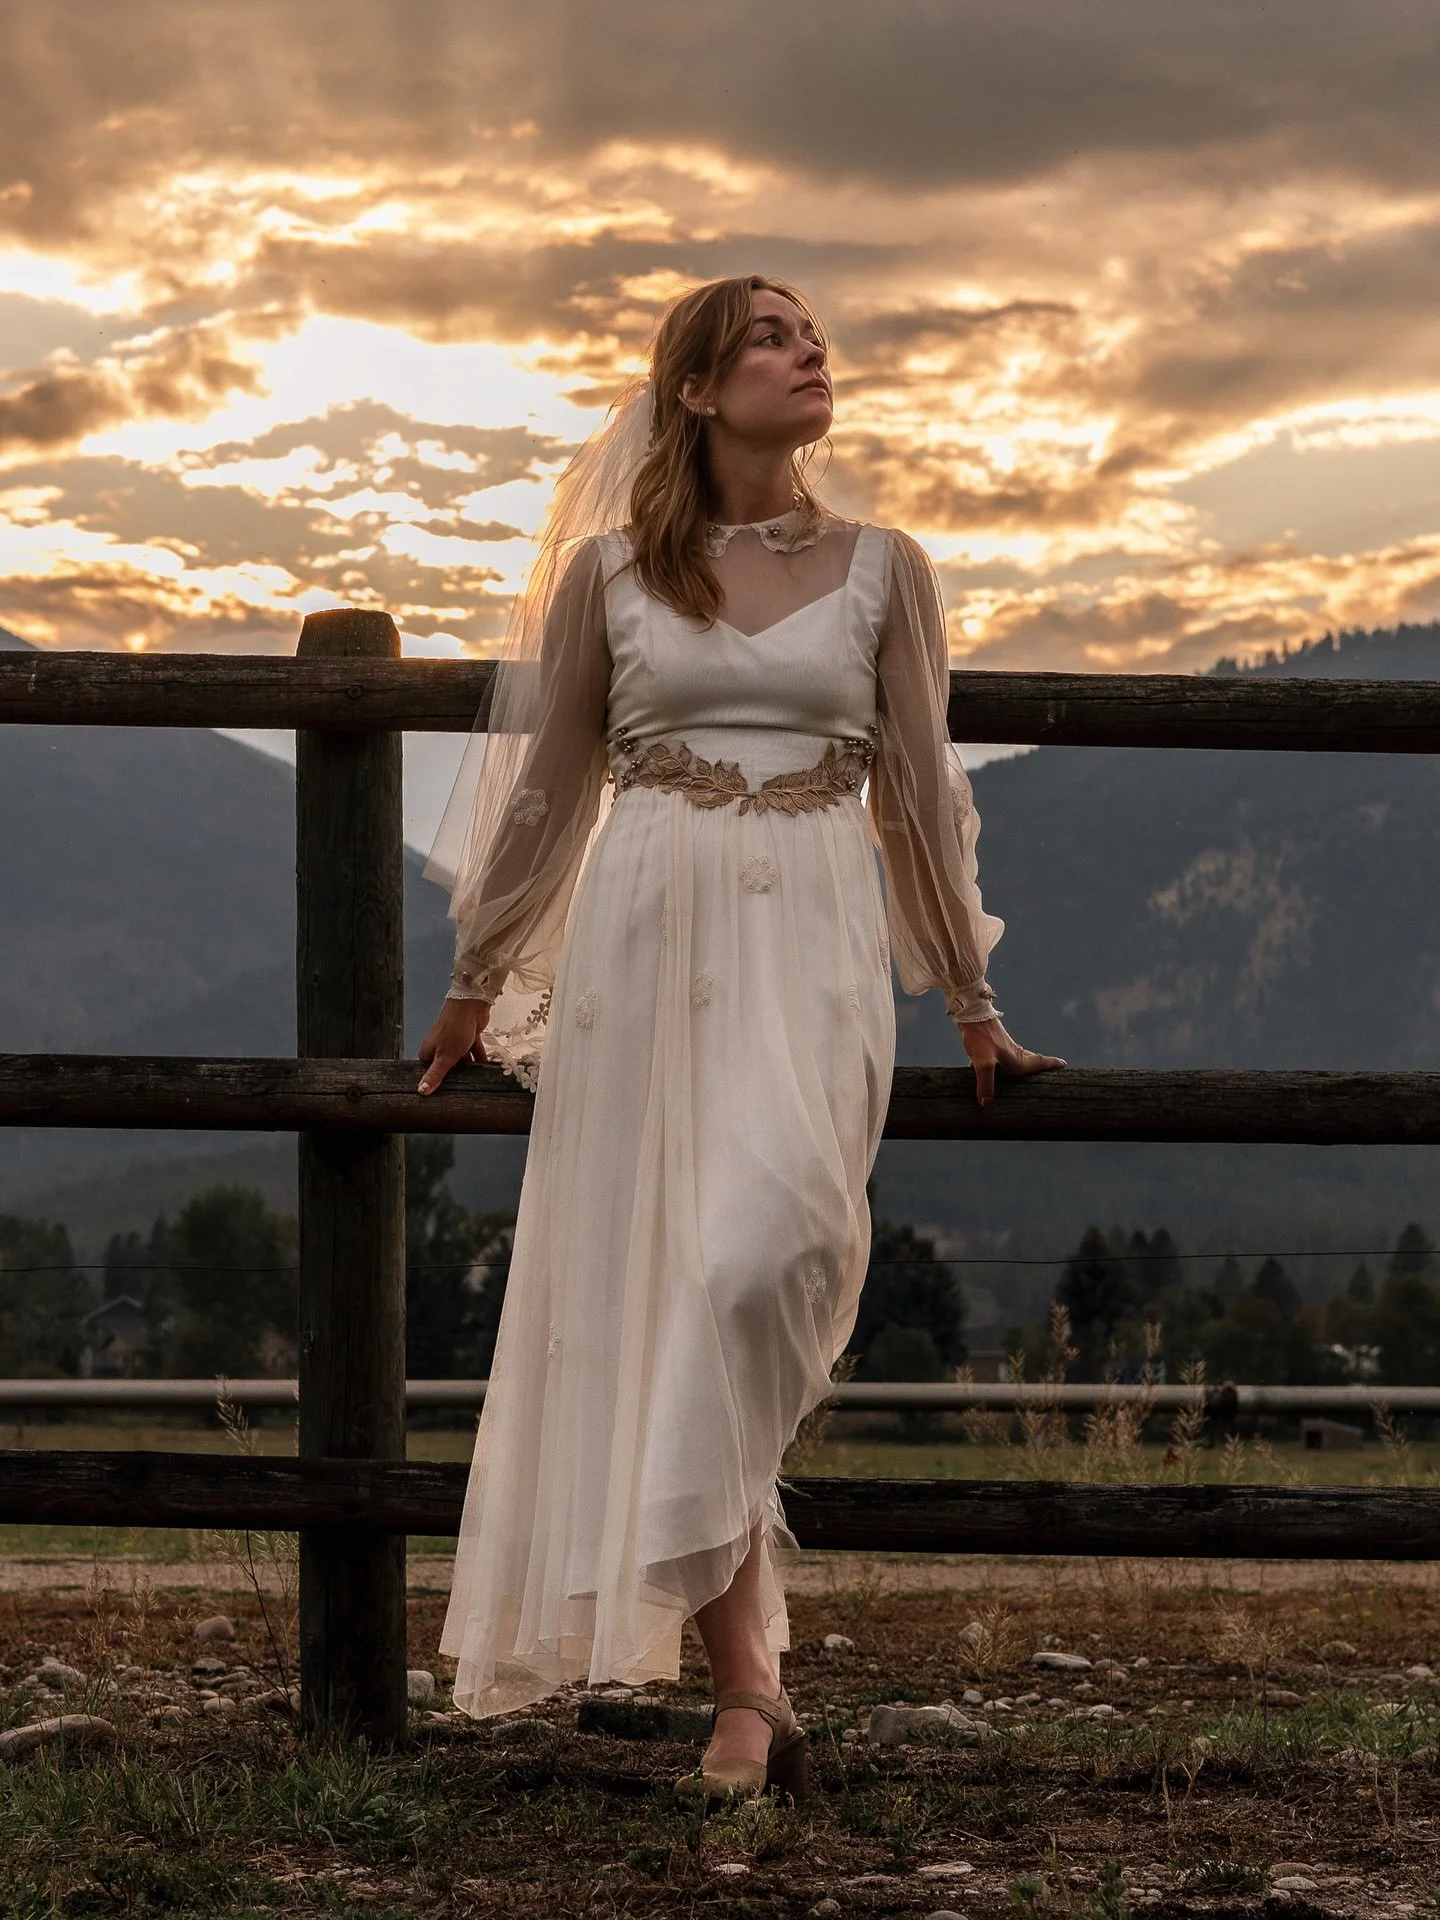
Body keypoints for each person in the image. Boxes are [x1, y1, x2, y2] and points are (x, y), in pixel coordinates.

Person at [417, 274, 1065, 1802]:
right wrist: (478, 969)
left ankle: (744, 1670)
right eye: (772, 336)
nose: (810, 350)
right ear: (697, 388)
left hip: (812, 939)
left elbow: (916, 791)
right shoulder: (610, 577)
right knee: (676, 1279)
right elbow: (553, 791)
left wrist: (969, 995)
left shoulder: (887, 567)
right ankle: (746, 1690)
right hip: (648, 938)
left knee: (762, 1252)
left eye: (812, 332)